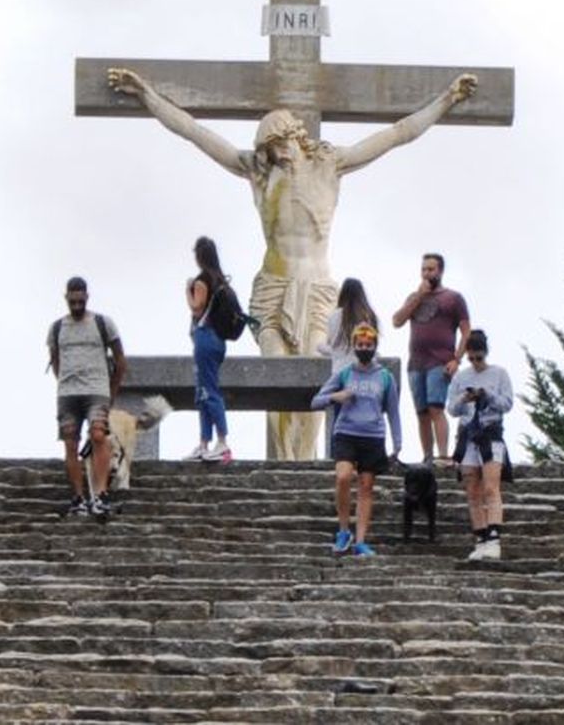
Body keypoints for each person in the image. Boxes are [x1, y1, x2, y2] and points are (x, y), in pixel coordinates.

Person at [108, 68, 477, 461]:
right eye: (268, 148)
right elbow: (195, 133)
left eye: (278, 144)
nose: (275, 154)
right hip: (272, 289)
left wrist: (446, 99)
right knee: (274, 371)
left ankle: (303, 462)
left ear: (294, 136)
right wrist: (148, 96)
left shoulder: (330, 165)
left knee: (317, 375)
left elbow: (397, 134)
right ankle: (284, 460)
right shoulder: (258, 171)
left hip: (317, 290)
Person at [310, 324, 402, 558]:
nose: (364, 348)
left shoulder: (385, 377)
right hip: (346, 433)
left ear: (374, 347)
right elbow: (315, 401)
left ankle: (360, 540)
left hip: (373, 436)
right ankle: (343, 530)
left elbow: (392, 411)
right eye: (360, 345)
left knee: (366, 487)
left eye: (368, 345)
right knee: (342, 477)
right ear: (354, 347)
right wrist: (336, 397)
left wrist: (397, 441)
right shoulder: (344, 373)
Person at [47, 276, 127, 515]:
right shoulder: (57, 328)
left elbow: (121, 361)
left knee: (98, 435)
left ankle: (100, 494)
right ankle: (78, 498)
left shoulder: (103, 323)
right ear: (66, 299)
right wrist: (64, 381)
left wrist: (110, 392)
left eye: (80, 301)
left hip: (97, 390)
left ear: (87, 297)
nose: (77, 306)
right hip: (68, 393)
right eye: (73, 301)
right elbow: (55, 360)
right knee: (70, 441)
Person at [392, 253, 471, 463]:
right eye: (424, 269)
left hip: (440, 361)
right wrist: (418, 297)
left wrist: (457, 359)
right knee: (421, 412)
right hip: (416, 363)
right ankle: (427, 456)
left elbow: (466, 330)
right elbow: (397, 321)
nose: (427, 273)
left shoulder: (453, 298)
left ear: (440, 271)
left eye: (431, 269)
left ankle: (443, 456)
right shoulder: (414, 297)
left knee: (436, 407)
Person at [446, 330, 514, 561]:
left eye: (479, 358)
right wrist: (464, 399)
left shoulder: (499, 374)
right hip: (468, 435)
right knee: (472, 490)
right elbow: (451, 409)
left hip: (490, 433)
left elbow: (507, 403)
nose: (475, 363)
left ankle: (494, 538)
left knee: (490, 487)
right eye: (471, 358)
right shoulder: (460, 377)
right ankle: (481, 538)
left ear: (485, 354)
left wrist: (487, 395)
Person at [185, 237, 234, 463]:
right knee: (203, 393)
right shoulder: (220, 280)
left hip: (205, 338)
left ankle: (222, 442)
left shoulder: (203, 280)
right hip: (217, 341)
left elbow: (197, 308)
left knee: (209, 391)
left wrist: (188, 289)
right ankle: (204, 443)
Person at [320, 278, 378, 457]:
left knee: (340, 418)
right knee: (363, 415)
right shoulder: (369, 315)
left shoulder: (335, 316)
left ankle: (337, 456)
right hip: (364, 373)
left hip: (340, 373)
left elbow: (329, 345)